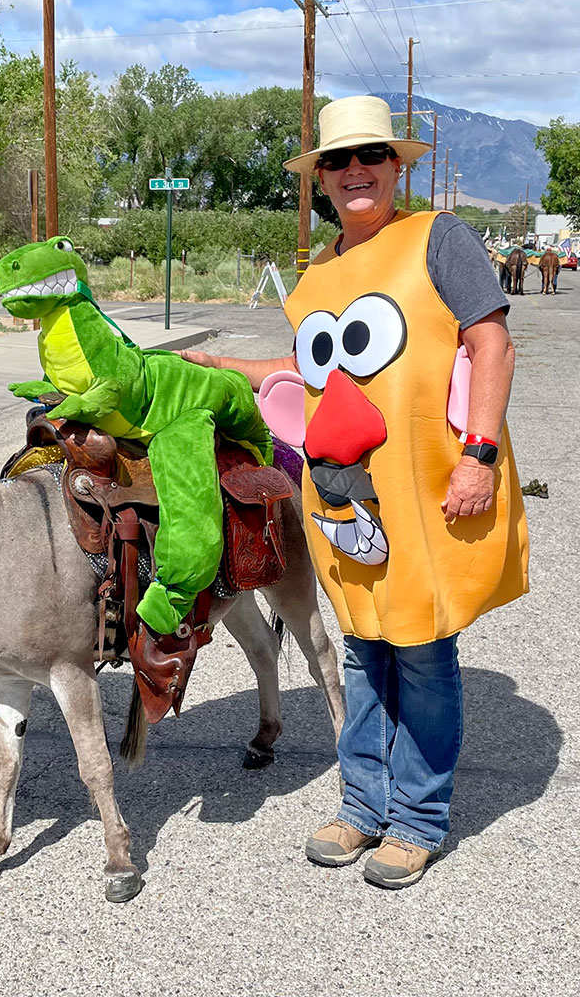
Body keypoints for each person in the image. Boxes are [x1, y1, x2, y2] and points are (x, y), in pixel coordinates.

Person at [184, 95, 529, 889]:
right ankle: (361, 804)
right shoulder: (317, 275)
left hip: (427, 490)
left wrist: (478, 456)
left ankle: (417, 818)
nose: (353, 171)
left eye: (369, 155)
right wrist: (215, 371)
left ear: (395, 165)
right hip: (344, 499)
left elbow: (491, 344)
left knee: (422, 652)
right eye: (336, 161)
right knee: (367, 650)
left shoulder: (439, 239)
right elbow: (307, 377)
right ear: (321, 181)